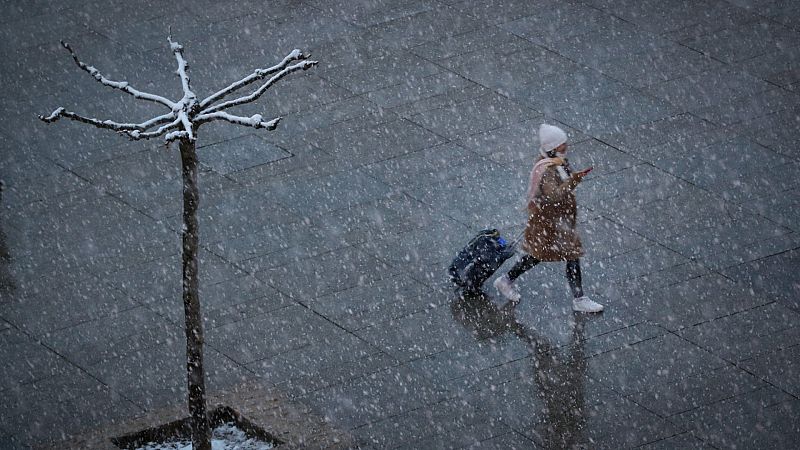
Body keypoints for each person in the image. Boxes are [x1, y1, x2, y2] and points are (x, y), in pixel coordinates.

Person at [493, 123, 603, 313]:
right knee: (564, 255)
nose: (566, 147)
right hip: (550, 223)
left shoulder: (558, 163)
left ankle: (506, 280)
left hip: (556, 222)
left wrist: (572, 180)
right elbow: (554, 196)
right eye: (562, 144)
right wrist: (574, 180)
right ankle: (579, 299)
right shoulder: (548, 170)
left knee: (542, 255)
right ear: (553, 147)